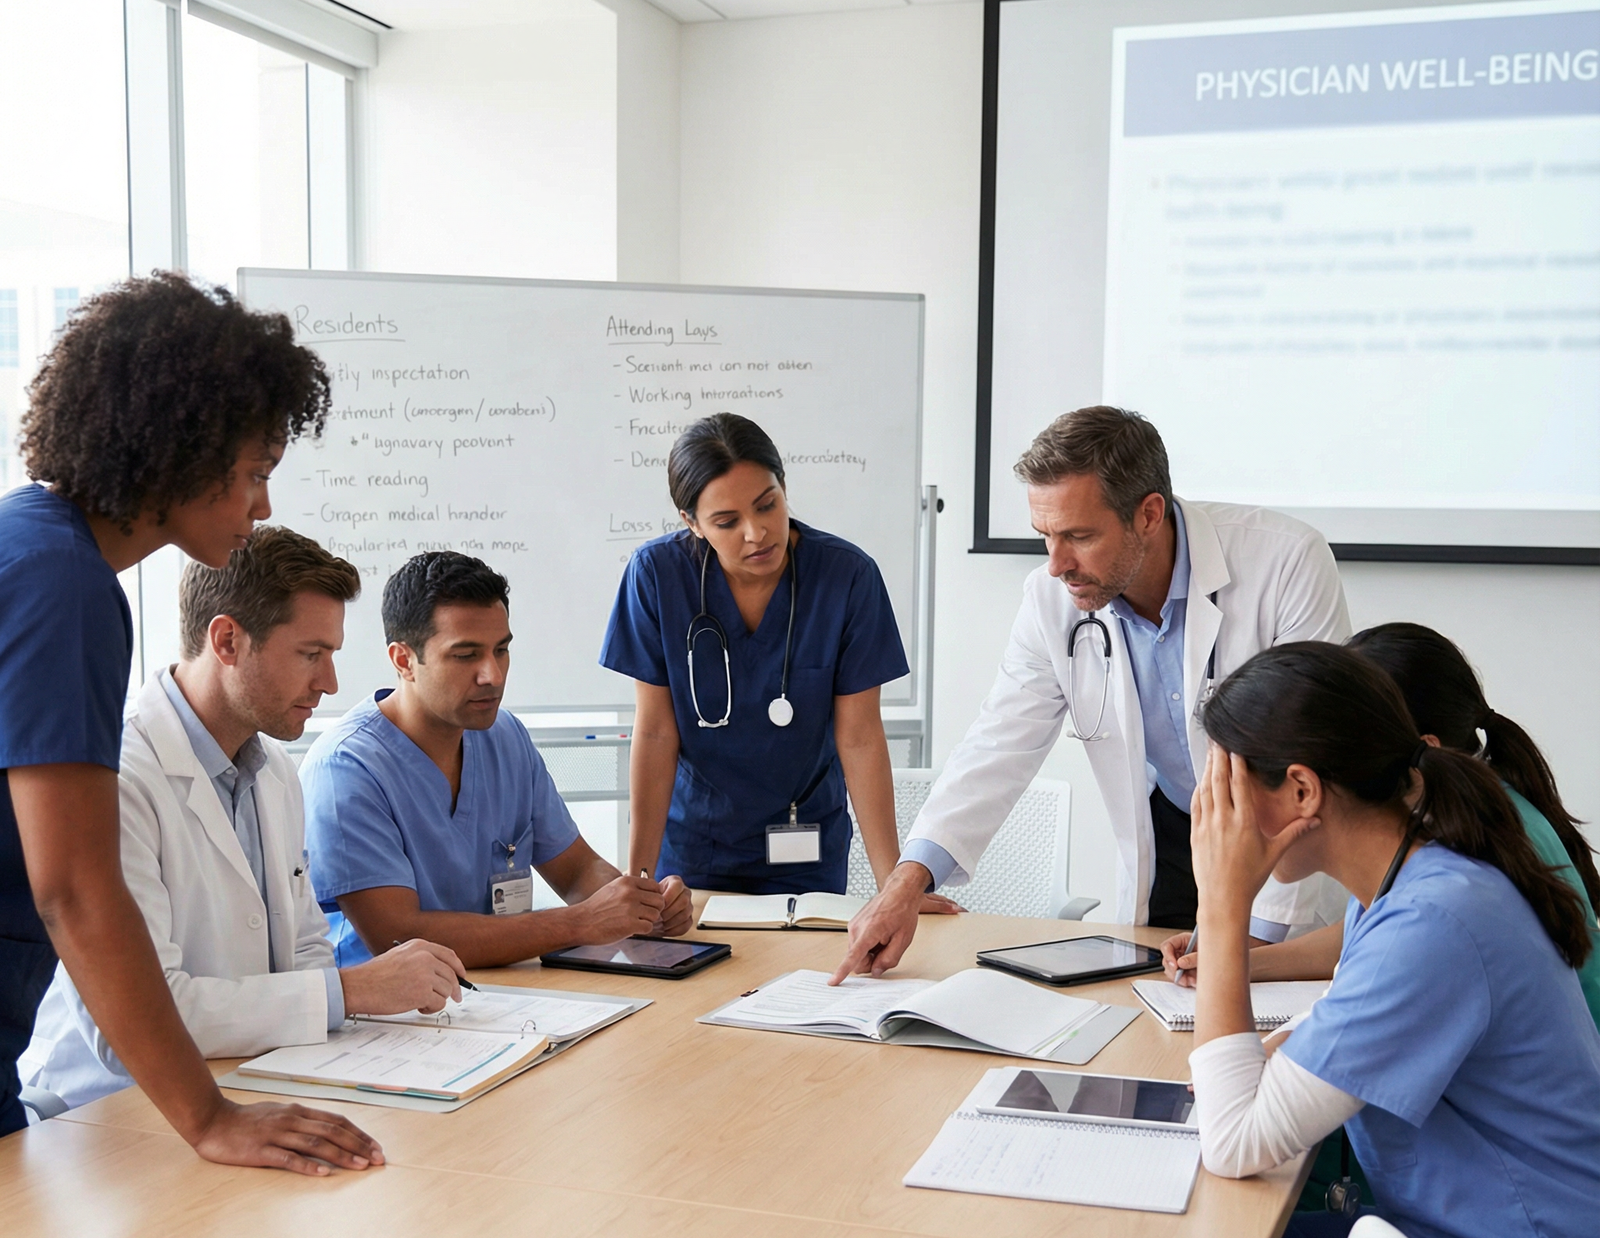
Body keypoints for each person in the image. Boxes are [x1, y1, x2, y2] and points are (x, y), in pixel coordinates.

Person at [1157, 642, 1600, 1238]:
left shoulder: (1436, 919)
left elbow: (1240, 1140)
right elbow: (1307, 1067)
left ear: (1304, 793)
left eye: (1232, 792)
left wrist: (1221, 907)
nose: (1216, 817)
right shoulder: (1406, 877)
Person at [0, 271, 381, 1175]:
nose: (263, 505)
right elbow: (77, 891)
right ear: (177, 448)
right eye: (254, 472)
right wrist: (212, 1119)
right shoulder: (65, 585)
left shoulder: (31, 542)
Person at [833, 406, 1350, 982]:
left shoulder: (1286, 562)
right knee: (1158, 1015)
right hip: (1171, 844)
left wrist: (1260, 940)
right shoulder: (1049, 598)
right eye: (1045, 536)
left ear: (1149, 514)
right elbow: (998, 744)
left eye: (1079, 536)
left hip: (1278, 851)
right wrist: (906, 883)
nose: (1056, 565)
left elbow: (1308, 759)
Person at [18, 527, 468, 1112]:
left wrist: (347, 1010)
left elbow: (305, 949)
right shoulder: (115, 781)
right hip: (112, 1117)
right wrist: (354, 989)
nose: (330, 683)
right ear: (228, 640)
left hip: (253, 1085)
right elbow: (134, 1021)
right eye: (311, 654)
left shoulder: (275, 770)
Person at [1160, 622, 1600, 1027]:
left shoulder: (1466, 855)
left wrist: (1223, 912)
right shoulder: (1431, 841)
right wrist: (1234, 959)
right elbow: (1366, 932)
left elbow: (1240, 1113)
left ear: (1420, 748)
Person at [601, 413, 947, 901]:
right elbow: (656, 731)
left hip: (805, 849)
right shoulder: (656, 576)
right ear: (691, 523)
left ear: (784, 487)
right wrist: (636, 883)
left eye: (768, 505)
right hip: (695, 850)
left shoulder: (846, 578)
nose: (756, 532)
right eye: (726, 521)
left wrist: (896, 886)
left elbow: (861, 736)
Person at [301, 551, 693, 966]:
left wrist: (643, 908)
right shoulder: (345, 769)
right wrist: (579, 923)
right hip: (390, 1018)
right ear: (404, 660)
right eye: (466, 655)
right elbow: (398, 936)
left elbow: (577, 871)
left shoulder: (504, 737)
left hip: (502, 996)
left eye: (501, 650)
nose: (494, 675)